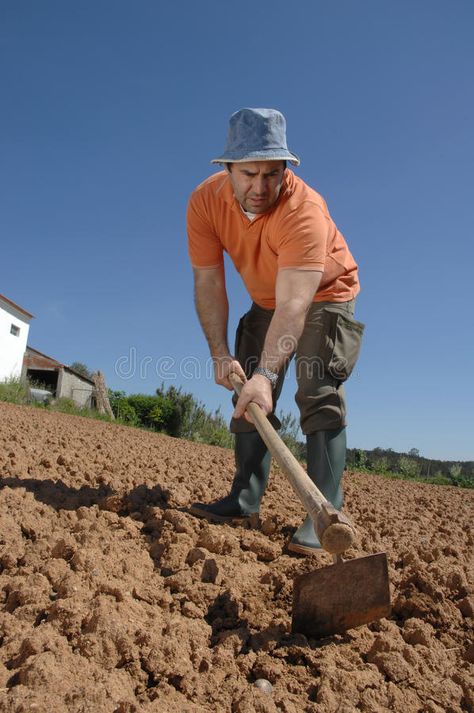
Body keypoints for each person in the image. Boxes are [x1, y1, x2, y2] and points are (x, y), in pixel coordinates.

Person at [186, 108, 364, 555]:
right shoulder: (204, 203)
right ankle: (243, 501)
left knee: (315, 385)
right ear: (226, 168)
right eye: (248, 173)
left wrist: (270, 374)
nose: (260, 187)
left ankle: (325, 512)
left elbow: (296, 304)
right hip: (267, 299)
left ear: (286, 167)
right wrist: (219, 353)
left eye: (272, 172)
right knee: (245, 387)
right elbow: (209, 281)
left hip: (324, 292)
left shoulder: (305, 210)